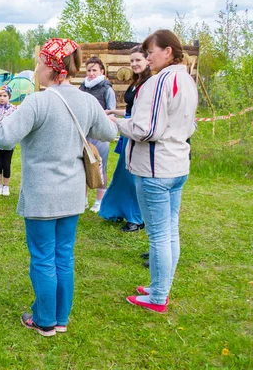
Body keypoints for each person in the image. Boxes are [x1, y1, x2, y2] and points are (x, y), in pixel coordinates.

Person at [0, 38, 117, 336]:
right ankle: (60, 319)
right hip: (73, 194)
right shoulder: (86, 101)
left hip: (41, 196)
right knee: (63, 255)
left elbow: (3, 138)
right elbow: (110, 132)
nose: (35, 68)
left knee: (42, 257)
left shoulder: (37, 102)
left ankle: (45, 321)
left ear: (50, 67)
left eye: (38, 62)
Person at [109, 30, 198, 313]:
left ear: (168, 52)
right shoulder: (186, 78)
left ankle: (158, 296)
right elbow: (187, 125)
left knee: (160, 235)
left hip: (156, 169)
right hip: (176, 165)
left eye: (151, 52)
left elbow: (146, 129)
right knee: (170, 230)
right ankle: (161, 286)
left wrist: (117, 124)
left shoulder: (160, 81)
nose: (147, 58)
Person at [99, 46, 151, 233]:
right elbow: (131, 111)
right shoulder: (136, 82)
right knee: (121, 175)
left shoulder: (150, 83)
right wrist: (114, 112)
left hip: (137, 134)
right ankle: (117, 210)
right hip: (127, 132)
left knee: (131, 178)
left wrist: (118, 120)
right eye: (132, 60)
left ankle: (136, 218)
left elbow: (141, 117)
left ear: (147, 61)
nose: (134, 64)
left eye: (138, 60)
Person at [79, 57, 117, 213]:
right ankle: (83, 199)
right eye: (89, 70)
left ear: (102, 71)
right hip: (84, 134)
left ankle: (99, 200)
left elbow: (111, 112)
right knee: (82, 167)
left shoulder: (107, 89)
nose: (91, 73)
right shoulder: (82, 88)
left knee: (100, 167)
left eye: (94, 70)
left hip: (100, 135)